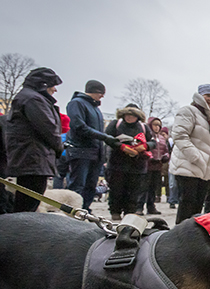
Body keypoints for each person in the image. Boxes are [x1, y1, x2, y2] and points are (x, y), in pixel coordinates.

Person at [5, 67, 64, 212]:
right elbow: (48, 128)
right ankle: (21, 232)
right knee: (28, 202)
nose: (55, 90)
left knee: (27, 201)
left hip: (30, 156)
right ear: (43, 84)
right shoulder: (33, 99)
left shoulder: (28, 97)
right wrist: (59, 147)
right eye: (53, 85)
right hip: (34, 157)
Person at [170, 84, 210, 224]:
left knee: (198, 204)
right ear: (200, 96)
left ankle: (191, 235)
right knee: (187, 202)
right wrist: (195, 156)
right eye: (207, 95)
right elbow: (180, 135)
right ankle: (179, 235)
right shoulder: (189, 111)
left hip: (206, 168)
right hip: (188, 164)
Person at [66, 80, 120, 212]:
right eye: (101, 93)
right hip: (81, 151)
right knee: (78, 184)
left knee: (90, 185)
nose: (102, 96)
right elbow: (79, 126)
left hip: (95, 153)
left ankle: (85, 209)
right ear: (95, 91)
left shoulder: (95, 108)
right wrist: (104, 137)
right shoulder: (77, 103)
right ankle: (74, 211)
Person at [104, 104, 155, 219]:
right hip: (117, 164)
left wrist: (145, 146)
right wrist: (121, 146)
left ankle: (130, 212)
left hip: (137, 165)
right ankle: (115, 211)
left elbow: (153, 142)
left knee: (134, 191)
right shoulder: (115, 124)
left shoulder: (144, 127)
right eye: (127, 115)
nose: (129, 117)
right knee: (116, 189)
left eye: (132, 115)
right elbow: (107, 138)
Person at [142, 117, 170, 214]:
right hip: (147, 165)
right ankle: (139, 207)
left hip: (158, 166)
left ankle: (151, 206)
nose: (157, 127)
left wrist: (166, 157)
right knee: (144, 187)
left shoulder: (162, 138)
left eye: (159, 125)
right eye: (155, 125)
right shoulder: (146, 136)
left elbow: (166, 150)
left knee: (154, 187)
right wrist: (149, 158)